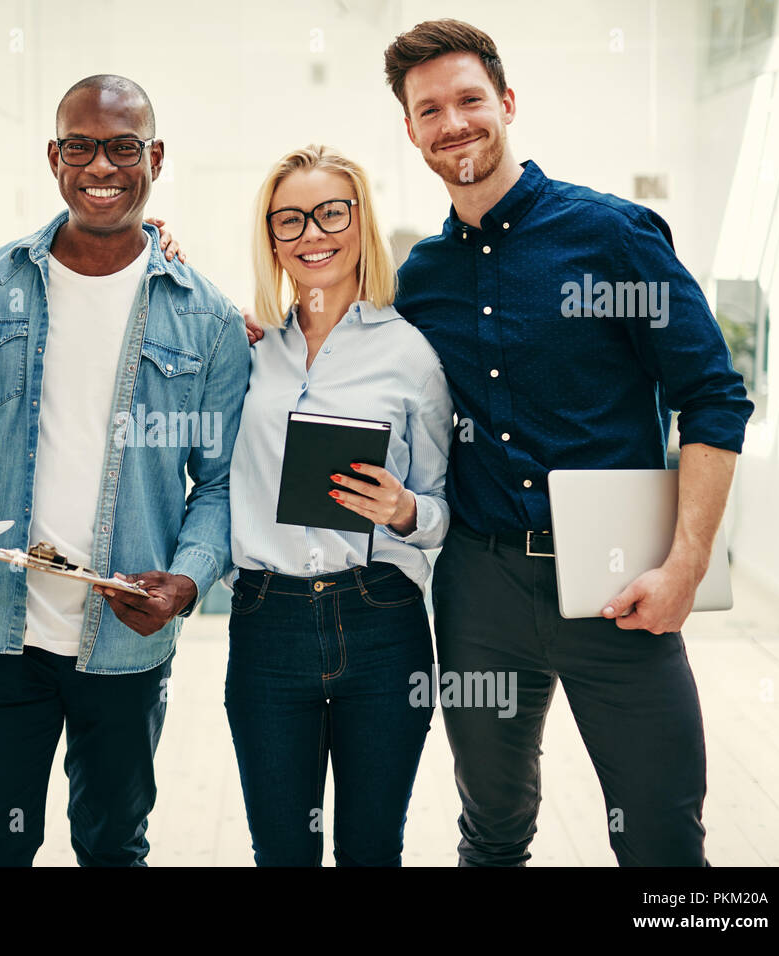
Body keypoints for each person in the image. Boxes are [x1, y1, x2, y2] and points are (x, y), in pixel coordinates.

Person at [381, 19, 753, 865]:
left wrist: (686, 566)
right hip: (480, 589)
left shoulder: (614, 236)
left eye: (470, 99)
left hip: (623, 583)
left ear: (506, 103)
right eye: (429, 109)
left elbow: (712, 398)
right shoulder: (422, 280)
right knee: (493, 833)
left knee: (662, 836)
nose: (453, 123)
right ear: (411, 130)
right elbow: (346, 356)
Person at [0, 74, 250, 866]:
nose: (101, 166)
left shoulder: (207, 318)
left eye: (123, 147)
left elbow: (219, 483)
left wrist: (189, 580)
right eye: (81, 145)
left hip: (124, 638)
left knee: (114, 846)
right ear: (55, 156)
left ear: (155, 157)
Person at [226, 145, 452, 866]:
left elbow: (445, 509)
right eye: (289, 219)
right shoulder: (247, 350)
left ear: (361, 223)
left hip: (380, 621)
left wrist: (405, 509)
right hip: (268, 624)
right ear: (270, 237)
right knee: (282, 851)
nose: (312, 234)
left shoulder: (411, 354)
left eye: (331, 213)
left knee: (371, 849)